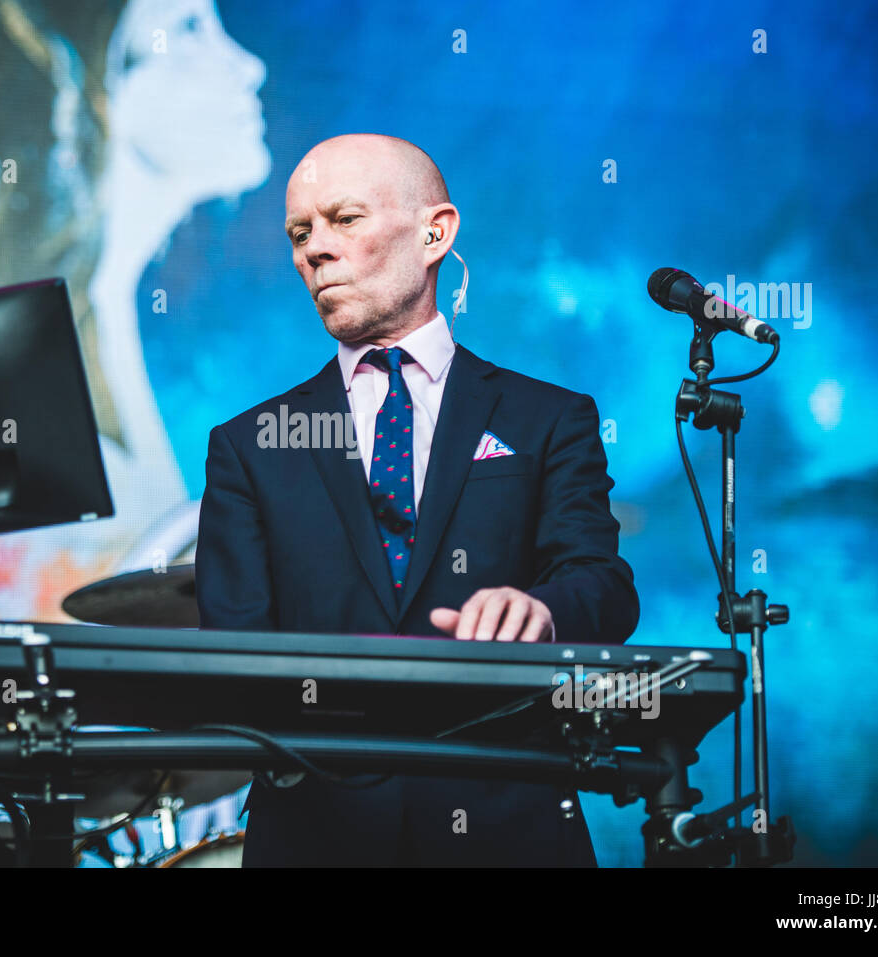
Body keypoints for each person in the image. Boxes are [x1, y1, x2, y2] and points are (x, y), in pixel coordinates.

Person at [196, 133, 640, 866]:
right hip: (316, 833)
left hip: (510, 823)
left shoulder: (549, 418)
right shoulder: (247, 444)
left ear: (436, 232)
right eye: (300, 232)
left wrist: (546, 611)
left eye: (345, 219)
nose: (315, 249)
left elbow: (604, 583)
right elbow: (235, 657)